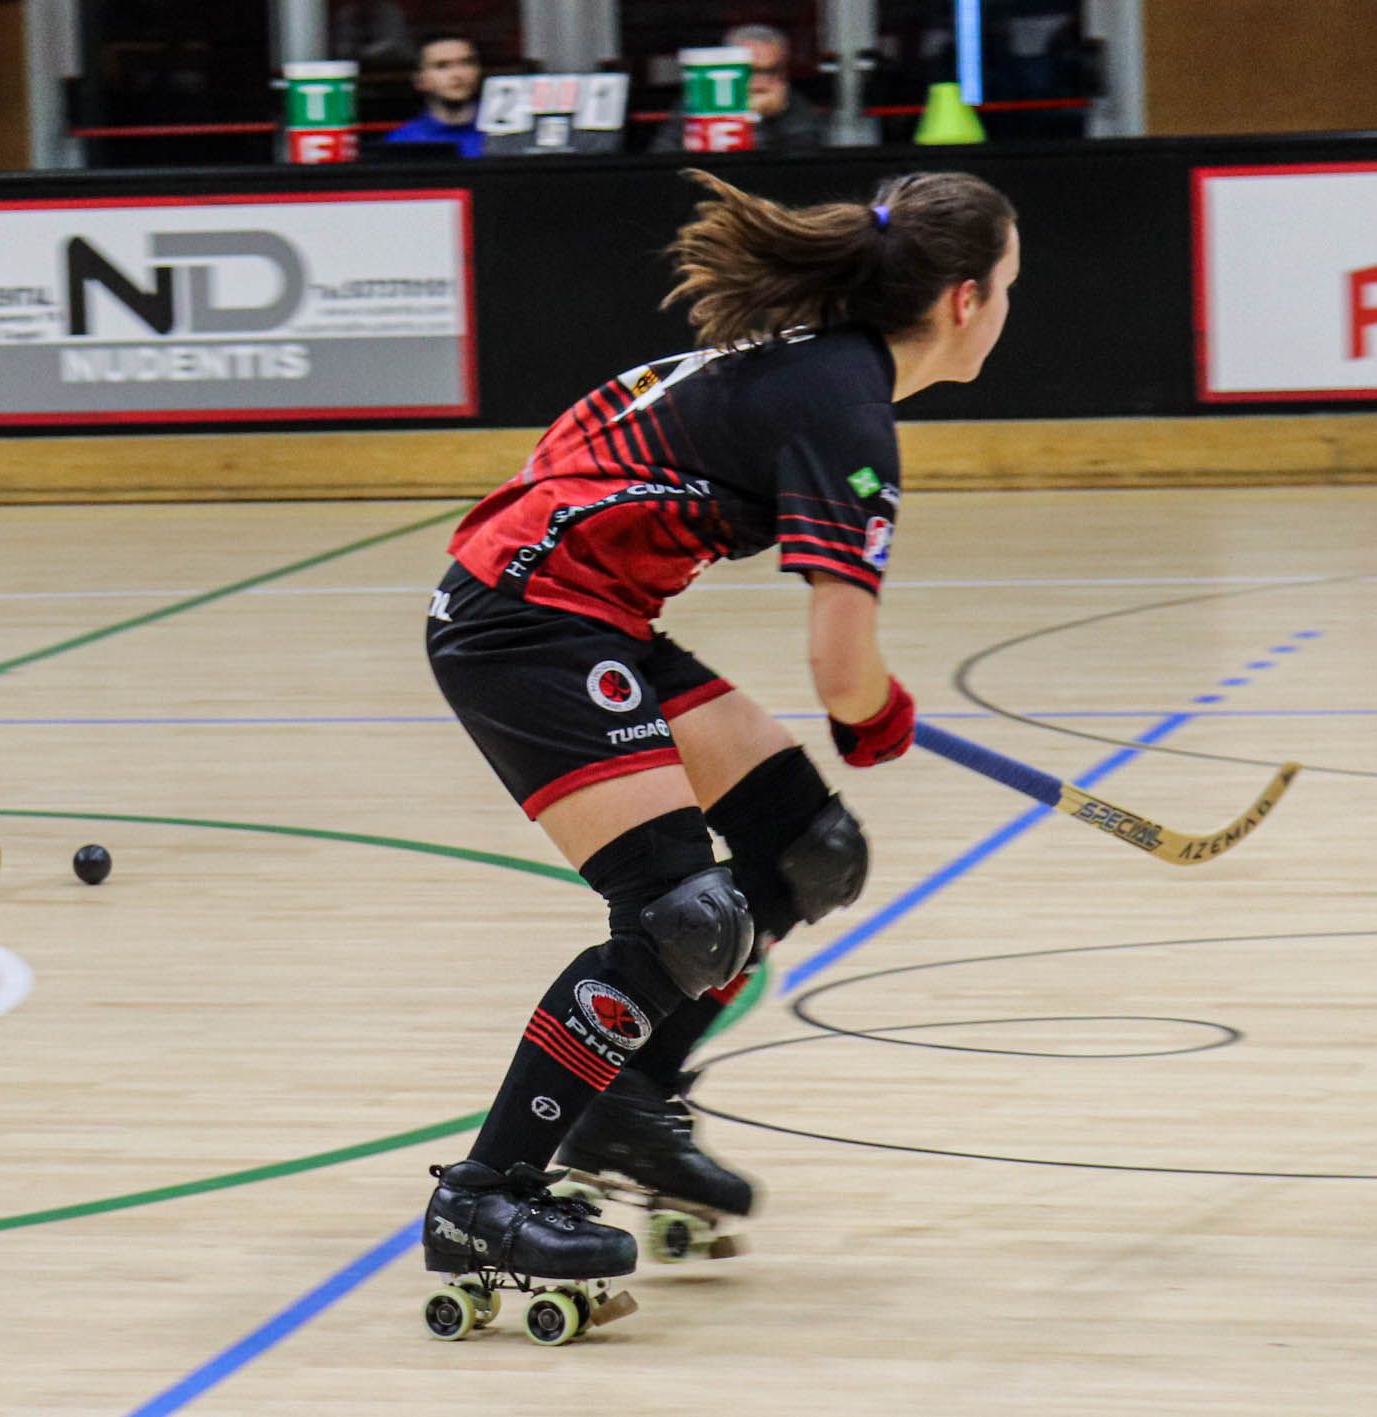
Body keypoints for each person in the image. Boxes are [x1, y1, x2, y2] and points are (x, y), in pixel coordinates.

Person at [417, 169, 1019, 1310]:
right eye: (1007, 286)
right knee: (679, 915)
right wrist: (871, 713)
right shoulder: (844, 405)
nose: (1005, 308)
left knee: (803, 851)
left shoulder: (831, 366)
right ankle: (483, 1195)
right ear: (959, 300)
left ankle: (627, 1103)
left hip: (587, 608)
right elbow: (842, 674)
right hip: (522, 622)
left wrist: (861, 708)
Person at [652, 23, 827, 155]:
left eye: (771, 71)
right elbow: (662, 158)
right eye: (749, 71)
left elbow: (796, 169)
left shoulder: (796, 108)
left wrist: (760, 120)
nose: (760, 82)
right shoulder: (698, 103)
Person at [384, 33, 482, 157]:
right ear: (419, 81)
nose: (457, 74)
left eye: (466, 63)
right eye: (442, 66)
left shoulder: (503, 132)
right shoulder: (403, 140)